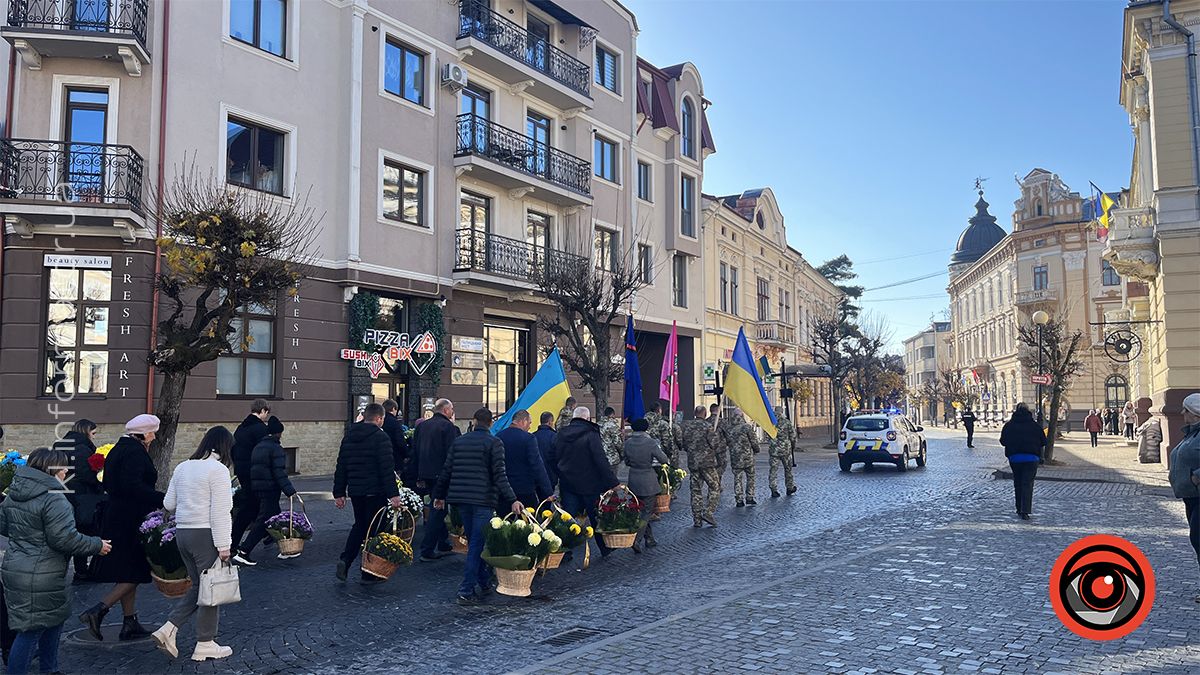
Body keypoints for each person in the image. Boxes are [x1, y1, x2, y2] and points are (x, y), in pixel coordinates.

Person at [151, 427, 236, 662]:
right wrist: (224, 545)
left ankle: (169, 629)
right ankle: (205, 643)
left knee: (200, 586)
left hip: (183, 533)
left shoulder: (183, 466)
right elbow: (221, 511)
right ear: (226, 447)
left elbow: (169, 503)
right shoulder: (218, 470)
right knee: (211, 589)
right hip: (205, 535)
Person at [81, 414, 164, 642]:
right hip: (130, 518)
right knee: (137, 570)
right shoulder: (134, 453)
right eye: (153, 433)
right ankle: (98, 610)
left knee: (127, 570)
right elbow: (134, 487)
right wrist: (162, 499)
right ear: (144, 433)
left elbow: (111, 483)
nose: (154, 437)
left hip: (117, 515)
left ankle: (130, 622)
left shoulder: (119, 449)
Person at [432, 408, 522, 605]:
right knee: (476, 544)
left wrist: (439, 496)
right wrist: (513, 499)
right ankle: (466, 589)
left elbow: (447, 470)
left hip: (462, 499)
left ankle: (483, 580)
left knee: (475, 541)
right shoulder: (494, 443)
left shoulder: (459, 442)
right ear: (490, 423)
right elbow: (500, 475)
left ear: (474, 421)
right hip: (483, 500)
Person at [332, 404, 402, 581]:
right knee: (374, 530)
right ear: (378, 418)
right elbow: (386, 469)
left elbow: (341, 466)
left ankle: (346, 560)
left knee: (360, 525)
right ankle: (368, 571)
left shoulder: (349, 436)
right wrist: (393, 494)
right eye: (382, 419)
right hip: (375, 491)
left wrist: (339, 492)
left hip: (356, 491)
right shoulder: (381, 437)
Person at [555, 406, 620, 559]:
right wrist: (612, 482)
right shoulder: (591, 434)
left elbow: (554, 456)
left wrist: (559, 473)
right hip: (589, 483)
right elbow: (600, 459)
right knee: (595, 517)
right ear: (587, 418)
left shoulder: (561, 433)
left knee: (568, 518)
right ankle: (604, 547)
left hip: (568, 482)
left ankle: (564, 551)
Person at [232, 417, 296, 566]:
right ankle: (244, 551)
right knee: (264, 521)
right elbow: (279, 472)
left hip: (258, 488)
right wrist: (290, 491)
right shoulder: (276, 448)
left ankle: (286, 548)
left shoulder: (258, 447)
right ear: (279, 433)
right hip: (270, 490)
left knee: (275, 518)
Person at [53, 419, 105, 582]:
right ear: (86, 431)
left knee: (67, 531)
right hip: (82, 496)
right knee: (83, 531)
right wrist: (100, 483)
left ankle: (59, 571)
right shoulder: (82, 449)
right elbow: (86, 475)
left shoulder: (60, 446)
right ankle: (81, 571)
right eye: (93, 433)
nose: (94, 437)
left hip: (63, 493)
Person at [411, 398, 460, 562]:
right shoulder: (448, 427)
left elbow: (415, 451)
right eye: (451, 409)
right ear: (445, 410)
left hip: (426, 473)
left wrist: (418, 475)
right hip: (442, 474)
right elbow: (451, 453)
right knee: (437, 510)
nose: (452, 412)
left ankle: (443, 542)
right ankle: (427, 549)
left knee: (438, 508)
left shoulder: (422, 426)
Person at [1168, 393, 1200, 598]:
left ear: (1195, 413)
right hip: (1191, 497)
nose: (1181, 413)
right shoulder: (1191, 433)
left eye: (1185, 410)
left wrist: (1197, 476)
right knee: (1197, 540)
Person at [229, 399, 271, 554]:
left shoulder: (241, 428)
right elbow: (265, 453)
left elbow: (233, 449)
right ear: (263, 410)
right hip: (256, 474)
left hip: (242, 472)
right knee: (252, 508)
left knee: (254, 507)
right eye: (267, 413)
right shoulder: (261, 429)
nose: (266, 416)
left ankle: (267, 534)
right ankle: (238, 545)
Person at [622, 418, 668, 553]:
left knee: (640, 509)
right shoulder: (650, 442)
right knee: (647, 512)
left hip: (633, 479)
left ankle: (649, 539)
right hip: (648, 480)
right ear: (646, 428)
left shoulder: (628, 443)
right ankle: (637, 539)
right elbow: (663, 459)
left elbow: (626, 461)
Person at [495, 410, 552, 510]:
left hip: (503, 491)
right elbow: (537, 466)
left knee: (503, 519)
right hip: (525, 490)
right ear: (523, 421)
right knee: (529, 518)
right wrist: (548, 492)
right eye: (529, 423)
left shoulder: (498, 437)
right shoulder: (528, 438)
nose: (529, 427)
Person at [999, 403, 1045, 521]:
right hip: (1031, 458)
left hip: (1015, 458)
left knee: (1018, 483)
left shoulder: (1009, 425)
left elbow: (1003, 441)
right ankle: (1025, 510)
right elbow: (1043, 441)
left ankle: (1019, 508)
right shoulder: (1035, 426)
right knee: (1027, 484)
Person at [680, 406, 720, 528]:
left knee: (696, 491)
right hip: (707, 463)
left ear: (695, 413)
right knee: (715, 486)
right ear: (705, 413)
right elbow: (715, 444)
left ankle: (697, 520)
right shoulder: (708, 427)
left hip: (693, 463)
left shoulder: (687, 427)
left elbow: (683, 444)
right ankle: (708, 512)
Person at [720, 410, 759, 507]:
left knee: (737, 478)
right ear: (742, 416)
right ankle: (750, 497)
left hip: (735, 457)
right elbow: (754, 441)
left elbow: (726, 442)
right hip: (747, 457)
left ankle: (739, 499)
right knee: (750, 477)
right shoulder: (746, 427)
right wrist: (756, 450)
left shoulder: (729, 428)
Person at [767, 406, 798, 498]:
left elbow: (767, 435)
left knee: (773, 470)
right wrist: (793, 446)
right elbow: (793, 436)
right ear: (782, 412)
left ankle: (773, 489)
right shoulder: (786, 422)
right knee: (788, 469)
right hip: (785, 450)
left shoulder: (770, 423)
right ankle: (789, 487)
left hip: (774, 450)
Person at [381, 399, 410, 480]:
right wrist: (406, 454)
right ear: (393, 409)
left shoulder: (379, 421)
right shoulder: (395, 423)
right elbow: (400, 441)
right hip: (395, 457)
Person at [644, 400, 677, 468]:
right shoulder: (662, 423)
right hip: (659, 455)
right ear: (659, 410)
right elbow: (667, 441)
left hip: (645, 455)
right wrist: (670, 454)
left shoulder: (643, 422)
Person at [532, 411, 559, 490]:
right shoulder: (555, 436)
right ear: (550, 422)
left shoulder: (533, 436)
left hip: (536, 475)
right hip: (551, 475)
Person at [599, 407, 624, 478]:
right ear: (612, 414)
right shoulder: (612, 425)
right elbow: (617, 442)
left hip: (600, 456)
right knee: (612, 479)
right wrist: (622, 453)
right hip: (611, 457)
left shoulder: (597, 424)